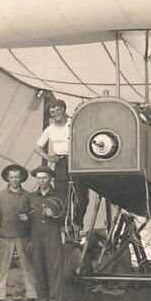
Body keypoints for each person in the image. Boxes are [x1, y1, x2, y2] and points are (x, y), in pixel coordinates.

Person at [34, 98, 88, 231]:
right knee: (61, 194)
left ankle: (78, 222)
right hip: (61, 163)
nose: (55, 113)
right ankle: (64, 224)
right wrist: (49, 158)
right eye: (52, 112)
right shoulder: (49, 129)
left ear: (63, 110)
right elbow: (37, 147)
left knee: (81, 195)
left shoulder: (73, 123)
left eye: (58, 110)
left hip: (77, 161)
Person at [0, 164, 37, 301]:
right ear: (7, 179)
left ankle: (32, 294)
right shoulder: (0, 197)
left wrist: (28, 219)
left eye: (17, 177)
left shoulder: (28, 196)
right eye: (12, 177)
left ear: (22, 178)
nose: (14, 180)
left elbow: (33, 217)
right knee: (2, 268)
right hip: (5, 236)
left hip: (23, 236)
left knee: (28, 266)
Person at [29, 165, 65, 301]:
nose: (41, 180)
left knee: (55, 267)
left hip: (53, 235)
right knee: (39, 267)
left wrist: (54, 216)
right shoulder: (31, 197)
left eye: (44, 177)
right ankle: (43, 300)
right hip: (36, 236)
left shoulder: (59, 196)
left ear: (50, 178)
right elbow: (28, 216)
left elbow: (66, 216)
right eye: (39, 178)